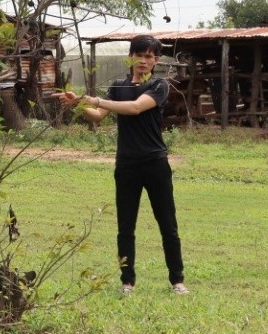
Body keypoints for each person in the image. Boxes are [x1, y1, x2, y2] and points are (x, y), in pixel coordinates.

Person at [53, 35, 187, 295]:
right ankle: (128, 282)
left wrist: (95, 99)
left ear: (156, 60)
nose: (144, 61)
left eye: (149, 56)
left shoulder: (160, 86)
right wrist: (77, 103)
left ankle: (177, 280)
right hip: (126, 165)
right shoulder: (118, 86)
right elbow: (98, 116)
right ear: (131, 57)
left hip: (155, 163)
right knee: (126, 226)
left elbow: (135, 108)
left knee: (168, 224)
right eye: (140, 55)